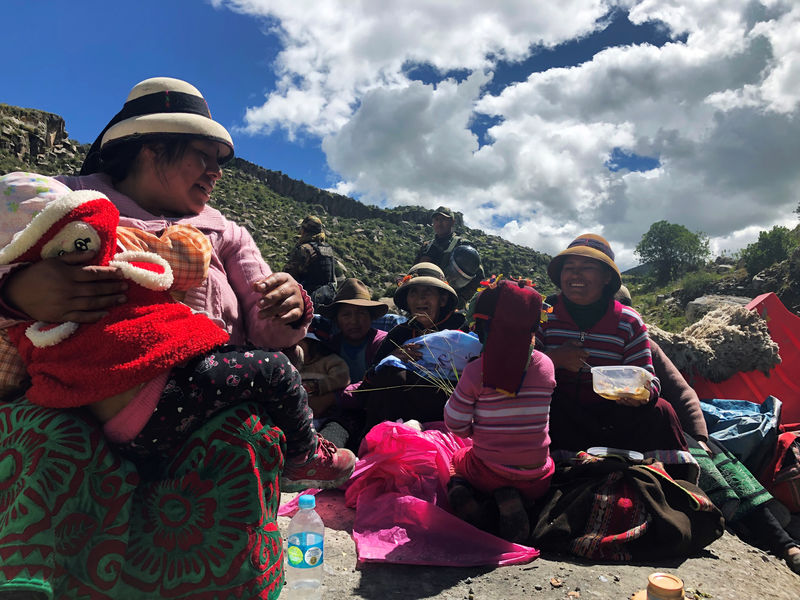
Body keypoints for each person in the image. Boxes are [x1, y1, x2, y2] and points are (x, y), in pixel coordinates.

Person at [0, 77, 355, 491]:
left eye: (220, 161)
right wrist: (15, 294)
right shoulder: (58, 201)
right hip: (78, 422)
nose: (217, 173)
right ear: (152, 148)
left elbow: (268, 331)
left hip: (209, 415)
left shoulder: (226, 234)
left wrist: (290, 304)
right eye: (205, 156)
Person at [615, 285, 800, 575]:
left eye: (624, 308)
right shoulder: (571, 340)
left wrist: (700, 437)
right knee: (690, 455)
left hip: (653, 424)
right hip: (606, 432)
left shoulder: (644, 344)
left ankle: (782, 541)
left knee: (713, 452)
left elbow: (683, 393)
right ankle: (738, 518)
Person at [536, 233, 687, 453]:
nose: (575, 273)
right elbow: (520, 366)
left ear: (607, 277)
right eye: (569, 267)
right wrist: (555, 359)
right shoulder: (543, 316)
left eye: (587, 266)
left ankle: (670, 476)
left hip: (611, 417)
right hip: (557, 413)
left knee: (661, 410)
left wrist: (641, 394)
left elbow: (649, 378)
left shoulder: (628, 321)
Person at [444, 279, 555, 543]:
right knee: (540, 466)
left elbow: (454, 423)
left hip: (488, 472)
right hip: (538, 477)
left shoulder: (475, 371)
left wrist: (475, 430)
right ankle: (517, 503)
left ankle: (467, 496)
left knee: (456, 460)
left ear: (480, 329)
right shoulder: (547, 365)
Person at [358, 262, 466, 438]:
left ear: (443, 299)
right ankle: (375, 444)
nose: (419, 299)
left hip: (450, 417)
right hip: (402, 418)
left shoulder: (462, 330)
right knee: (391, 371)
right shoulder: (400, 334)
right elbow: (366, 386)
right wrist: (391, 358)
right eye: (413, 293)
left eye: (427, 293)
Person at [414, 206, 484, 308]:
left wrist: (462, 299)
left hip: (450, 303)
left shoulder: (462, 245)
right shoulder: (426, 246)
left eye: (443, 219)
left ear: (452, 222)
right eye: (436, 219)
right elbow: (414, 271)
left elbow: (478, 277)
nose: (439, 223)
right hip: (424, 301)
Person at [283, 214, 337, 310]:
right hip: (328, 299)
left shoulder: (304, 249)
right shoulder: (328, 249)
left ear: (304, 230)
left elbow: (288, 276)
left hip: (308, 301)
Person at [295, 332, 350, 422]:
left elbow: (342, 378)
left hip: (329, 416)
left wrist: (316, 386)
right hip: (302, 416)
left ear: (314, 344)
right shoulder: (294, 364)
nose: (296, 347)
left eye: (300, 342)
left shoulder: (330, 361)